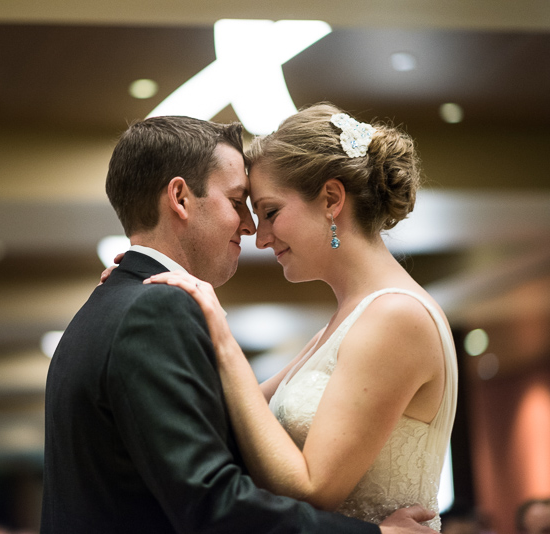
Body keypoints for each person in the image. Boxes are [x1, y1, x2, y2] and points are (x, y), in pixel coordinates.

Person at [40, 115, 438, 533]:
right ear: (180, 198)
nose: (253, 230)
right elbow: (213, 504)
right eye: (238, 203)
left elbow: (236, 430)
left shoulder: (115, 306)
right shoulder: (152, 310)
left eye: (267, 211)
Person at [146, 103, 459, 529]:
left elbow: (313, 490)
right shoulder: (347, 320)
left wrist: (222, 338)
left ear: (331, 199)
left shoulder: (396, 316)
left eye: (270, 212)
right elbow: (233, 422)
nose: (260, 238)